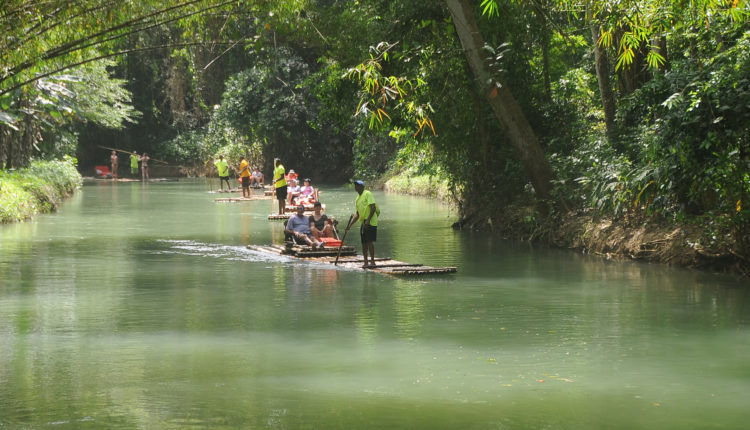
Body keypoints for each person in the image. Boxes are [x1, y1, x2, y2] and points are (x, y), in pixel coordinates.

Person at [345, 180, 379, 269]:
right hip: (363, 222)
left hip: (371, 222)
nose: (356, 187)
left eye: (358, 185)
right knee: (364, 242)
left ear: (362, 187)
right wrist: (350, 225)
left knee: (369, 241)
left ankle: (372, 261)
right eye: (355, 185)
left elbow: (373, 207)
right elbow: (357, 214)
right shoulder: (357, 199)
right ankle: (365, 262)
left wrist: (368, 220)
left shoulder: (367, 193)